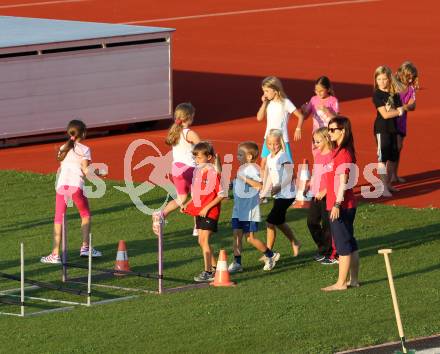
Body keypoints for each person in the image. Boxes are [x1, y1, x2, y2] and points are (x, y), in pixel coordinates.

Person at [41, 120, 103, 264]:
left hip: (62, 186)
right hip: (76, 186)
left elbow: (61, 165)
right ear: (84, 133)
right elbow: (87, 171)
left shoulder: (63, 147)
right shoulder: (85, 149)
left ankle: (55, 254)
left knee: (58, 218)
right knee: (85, 215)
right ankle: (85, 247)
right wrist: (101, 172)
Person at [227, 142, 280, 273]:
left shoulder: (253, 169)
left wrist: (244, 179)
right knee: (237, 236)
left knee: (250, 238)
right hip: (238, 210)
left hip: (249, 210)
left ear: (249, 157)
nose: (237, 156)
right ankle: (237, 262)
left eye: (240, 154)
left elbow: (260, 185)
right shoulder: (242, 169)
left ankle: (271, 255)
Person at [321, 116, 359, 291]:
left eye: (332, 130)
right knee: (350, 243)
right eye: (328, 129)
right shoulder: (340, 151)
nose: (329, 133)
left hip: (340, 206)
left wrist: (337, 204)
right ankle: (354, 280)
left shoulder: (343, 153)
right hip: (346, 204)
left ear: (342, 131)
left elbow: (343, 181)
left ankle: (341, 283)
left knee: (343, 245)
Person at [152, 103, 200, 236]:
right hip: (190, 169)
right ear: (189, 117)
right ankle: (198, 226)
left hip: (177, 169)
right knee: (197, 196)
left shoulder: (175, 132)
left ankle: (161, 214)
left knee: (182, 198)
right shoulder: (189, 133)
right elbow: (201, 148)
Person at [181, 142, 225, 282]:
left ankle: (208, 272)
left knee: (203, 240)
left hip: (210, 212)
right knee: (202, 241)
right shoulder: (199, 173)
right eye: (195, 158)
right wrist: (187, 203)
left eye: (199, 157)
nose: (197, 160)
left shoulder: (213, 174)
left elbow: (221, 194)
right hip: (201, 212)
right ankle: (215, 267)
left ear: (209, 157)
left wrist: (207, 208)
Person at [260, 129, 301, 269]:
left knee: (270, 222)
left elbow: (291, 175)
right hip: (279, 194)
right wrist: (264, 193)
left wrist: (279, 187)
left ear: (280, 143)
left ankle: (268, 253)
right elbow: (271, 176)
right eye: (270, 144)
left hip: (288, 194)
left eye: (275, 144)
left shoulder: (283, 156)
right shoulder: (270, 158)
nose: (273, 146)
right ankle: (295, 241)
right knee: (279, 221)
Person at [256, 76, 304, 174]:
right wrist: (264, 103)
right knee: (263, 163)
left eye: (266, 91)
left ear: (275, 90)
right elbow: (259, 118)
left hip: (282, 139)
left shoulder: (285, 102)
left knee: (288, 165)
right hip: (268, 138)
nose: (264, 94)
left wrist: (298, 129)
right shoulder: (268, 103)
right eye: (264, 91)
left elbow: (300, 116)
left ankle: (292, 186)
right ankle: (264, 186)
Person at [307, 127, 338, 265]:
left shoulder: (333, 155)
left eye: (318, 141)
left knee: (327, 225)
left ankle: (331, 253)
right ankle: (323, 248)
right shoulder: (318, 155)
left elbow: (334, 178)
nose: (315, 144)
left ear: (327, 139)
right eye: (314, 141)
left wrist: (324, 191)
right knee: (311, 221)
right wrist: (311, 182)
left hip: (327, 195)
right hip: (316, 194)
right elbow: (317, 172)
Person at [372, 65, 404, 197]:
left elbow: (398, 108)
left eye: (384, 79)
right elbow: (385, 114)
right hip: (381, 129)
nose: (382, 82)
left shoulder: (394, 94)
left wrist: (394, 111)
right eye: (379, 79)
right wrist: (397, 111)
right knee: (382, 158)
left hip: (393, 129)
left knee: (392, 157)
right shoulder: (377, 95)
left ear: (389, 79)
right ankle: (383, 187)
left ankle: (389, 183)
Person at [392, 61, 418, 183]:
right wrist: (403, 106)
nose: (410, 79)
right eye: (408, 76)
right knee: (390, 149)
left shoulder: (411, 89)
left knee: (398, 147)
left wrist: (403, 107)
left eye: (412, 77)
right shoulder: (393, 86)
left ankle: (394, 175)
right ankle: (387, 176)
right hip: (390, 121)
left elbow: (412, 105)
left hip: (401, 122)